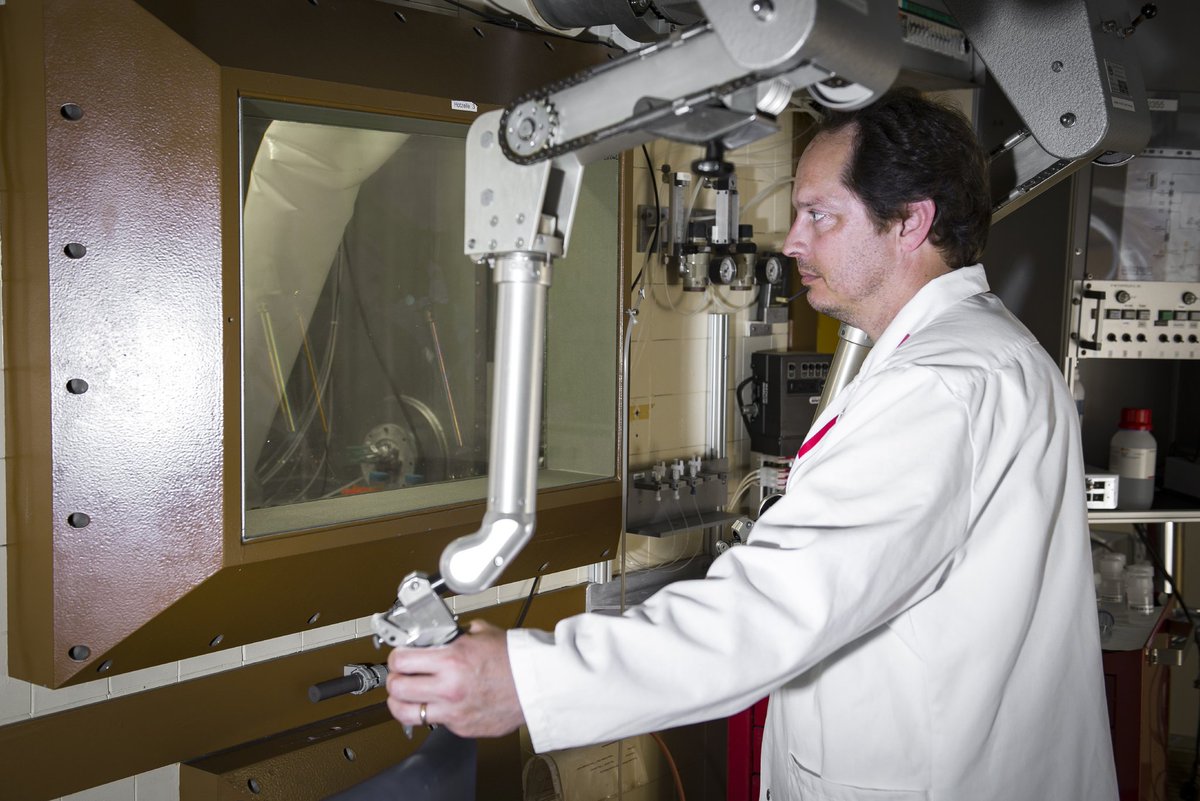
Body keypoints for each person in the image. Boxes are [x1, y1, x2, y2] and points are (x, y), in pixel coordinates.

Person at [386, 89, 1118, 801]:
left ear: (909, 222)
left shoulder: (939, 386)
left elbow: (778, 607)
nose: (793, 241)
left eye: (819, 215)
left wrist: (528, 681)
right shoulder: (984, 352)